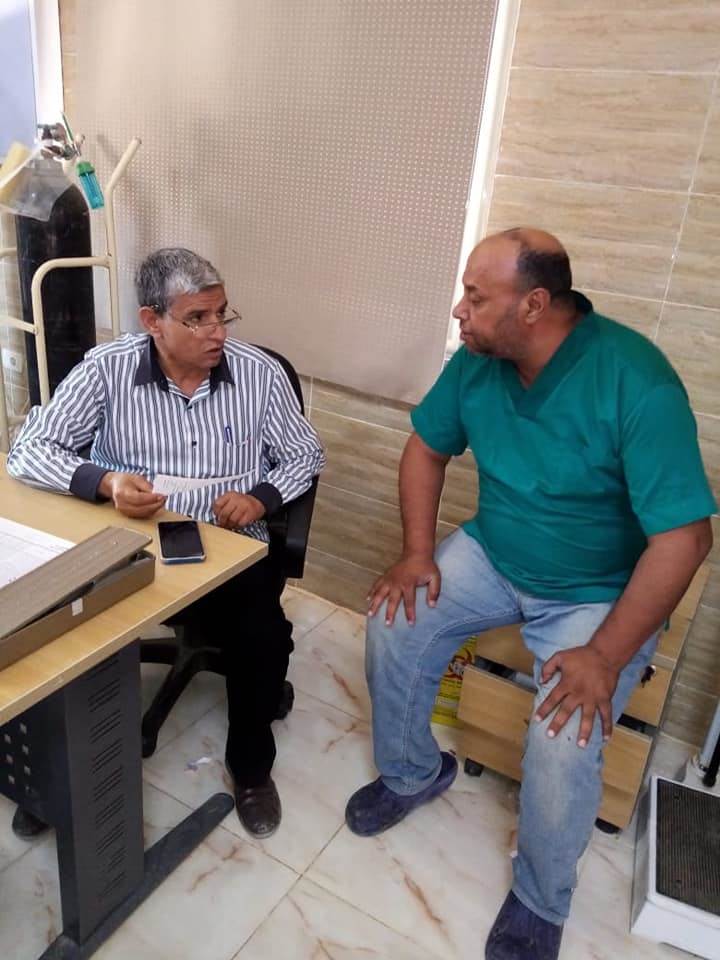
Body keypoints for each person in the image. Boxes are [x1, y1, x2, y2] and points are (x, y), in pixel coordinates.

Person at [344, 228, 716, 960]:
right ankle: (413, 774)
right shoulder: (480, 361)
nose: (460, 310)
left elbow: (685, 540)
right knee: (396, 621)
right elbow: (425, 448)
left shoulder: (634, 380)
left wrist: (605, 656)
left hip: (596, 593)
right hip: (495, 553)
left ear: (534, 306)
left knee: (563, 734)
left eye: (476, 297)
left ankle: (541, 898)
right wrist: (417, 554)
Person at [7, 247, 325, 840]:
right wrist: (104, 481)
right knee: (61, 628)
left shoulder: (258, 373)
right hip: (128, 542)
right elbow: (29, 450)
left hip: (229, 545)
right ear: (152, 320)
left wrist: (261, 497)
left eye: (222, 314)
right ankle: (60, 776)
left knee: (261, 636)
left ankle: (251, 767)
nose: (216, 332)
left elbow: (305, 455)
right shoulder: (107, 369)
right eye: (197, 318)